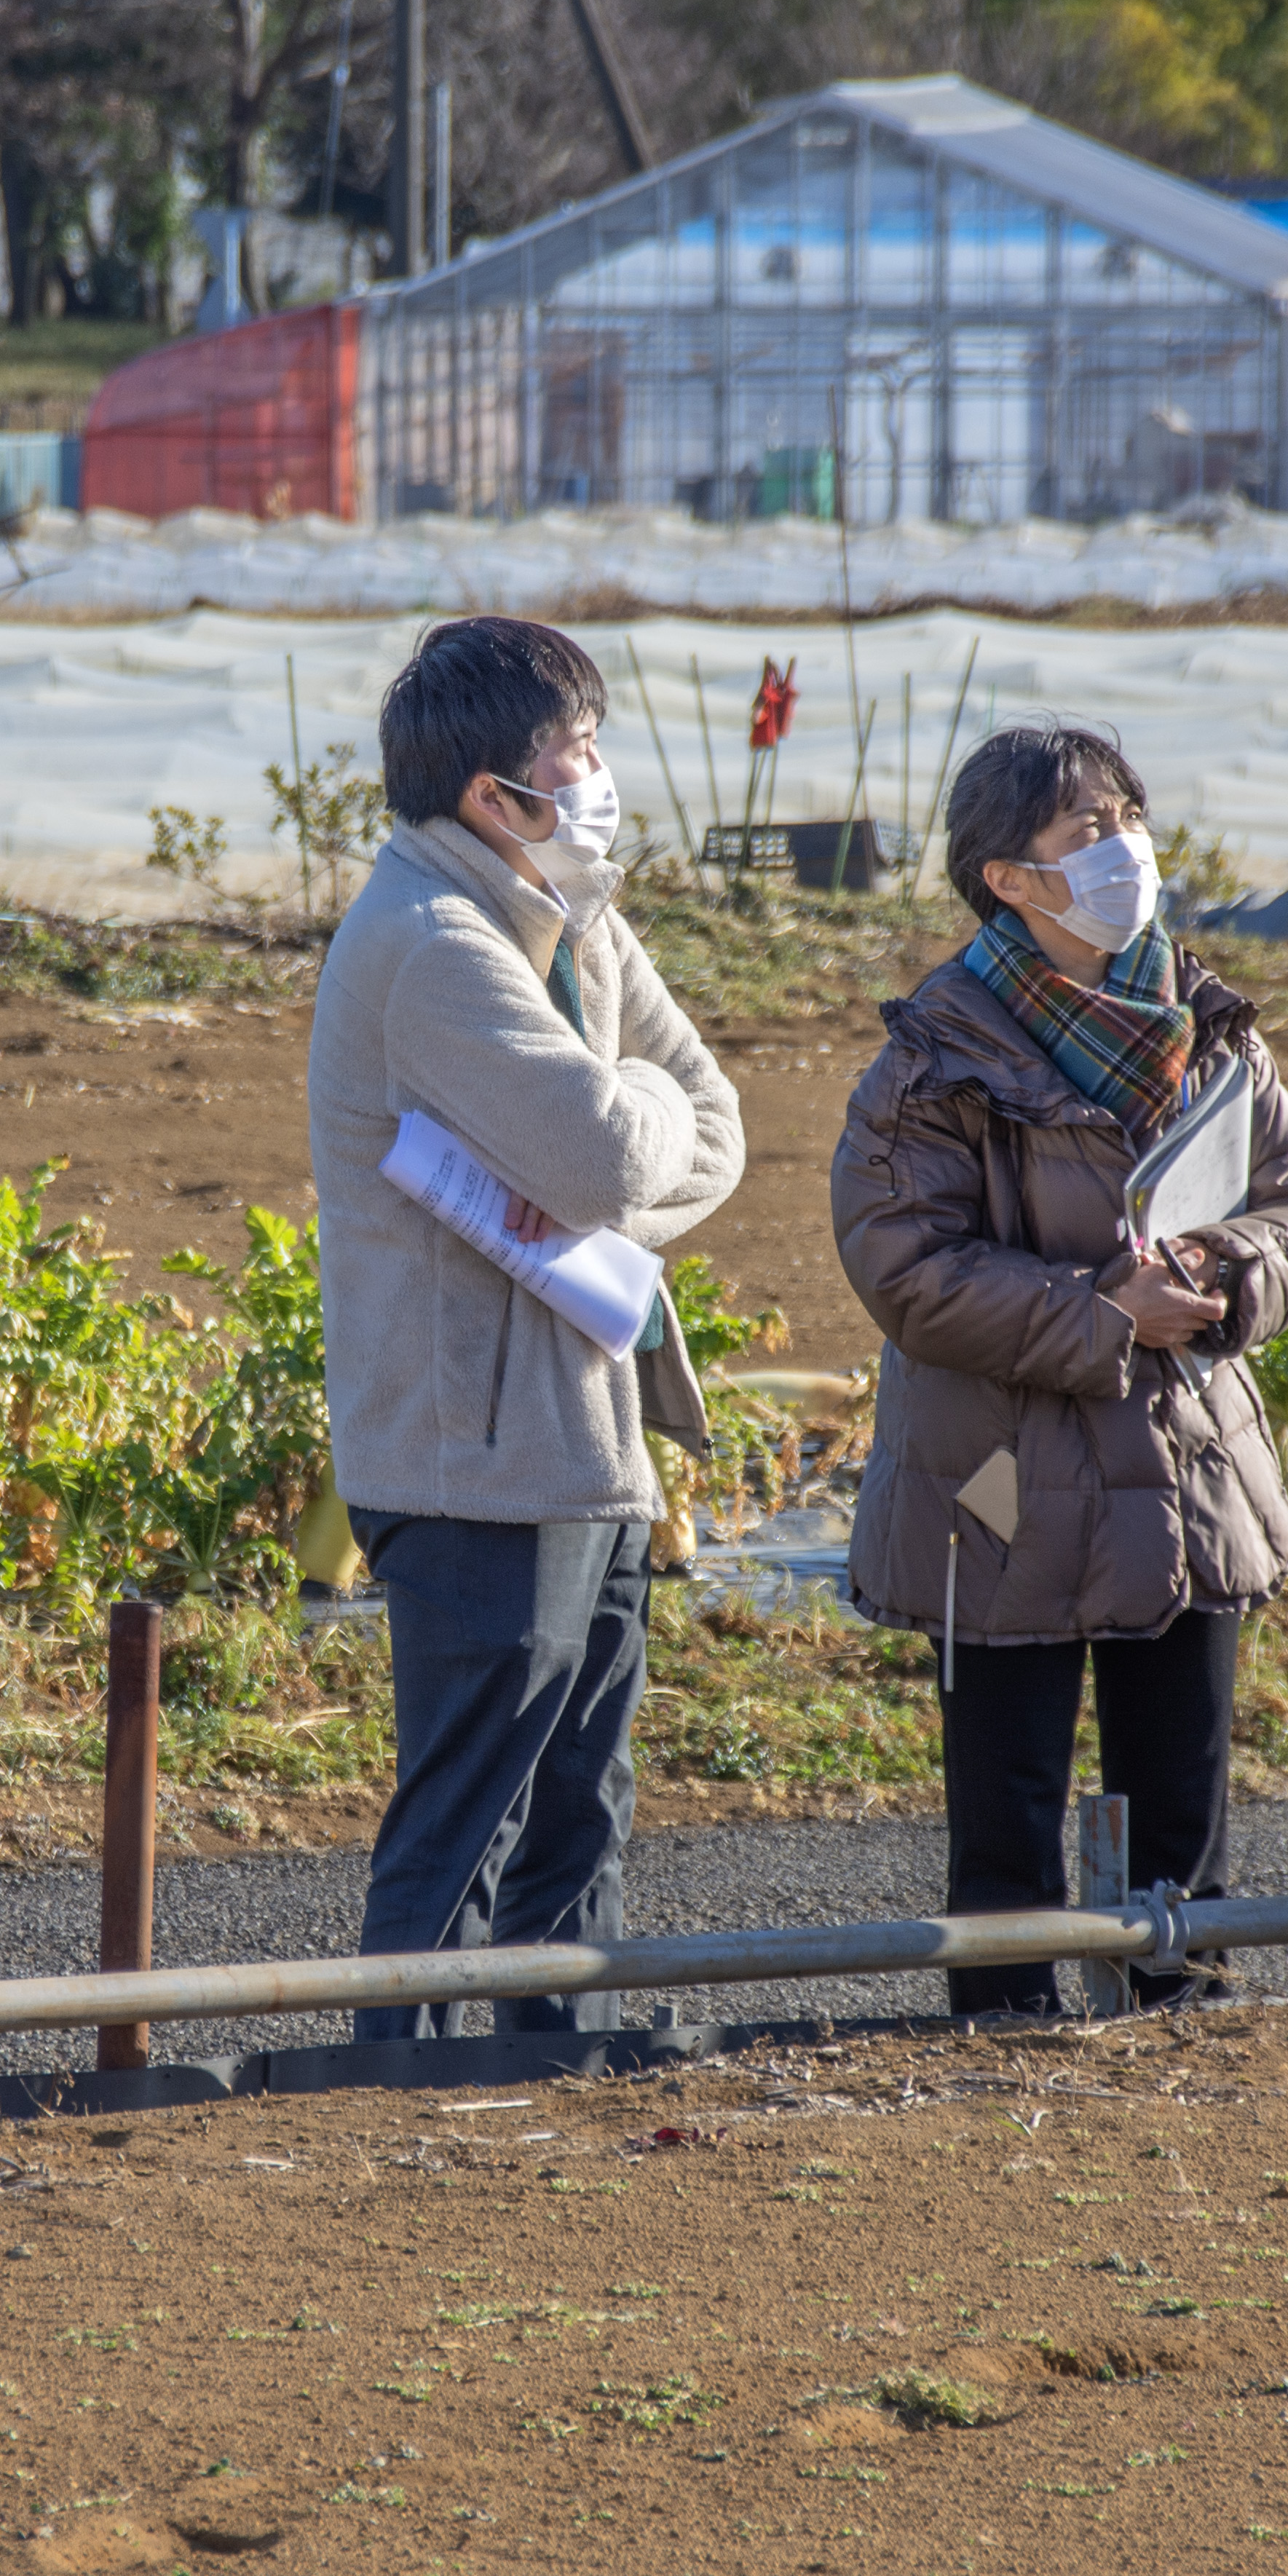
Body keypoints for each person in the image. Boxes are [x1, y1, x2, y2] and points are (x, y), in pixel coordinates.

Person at [831, 725, 1288, 2015]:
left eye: (1128, 818)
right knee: (1005, 1810)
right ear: (1007, 880)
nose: (1125, 852)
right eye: (1085, 833)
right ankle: (1002, 2043)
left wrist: (1225, 1280)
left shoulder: (1210, 1023)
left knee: (1186, 1795)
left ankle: (1183, 2028)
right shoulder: (932, 1061)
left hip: (1185, 1465)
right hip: (1003, 1484)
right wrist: (1105, 1311)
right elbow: (907, 1269)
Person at [308, 616, 744, 2039]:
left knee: (579, 1823)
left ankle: (556, 2096)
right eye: (579, 752)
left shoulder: (574, 913)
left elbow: (712, 1128)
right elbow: (614, 1157)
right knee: (465, 1835)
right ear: (494, 794)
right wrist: (618, 1128)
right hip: (473, 1459)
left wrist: (618, 1123)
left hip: (585, 1439)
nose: (602, 774)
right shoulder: (432, 940)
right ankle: (403, 2106)